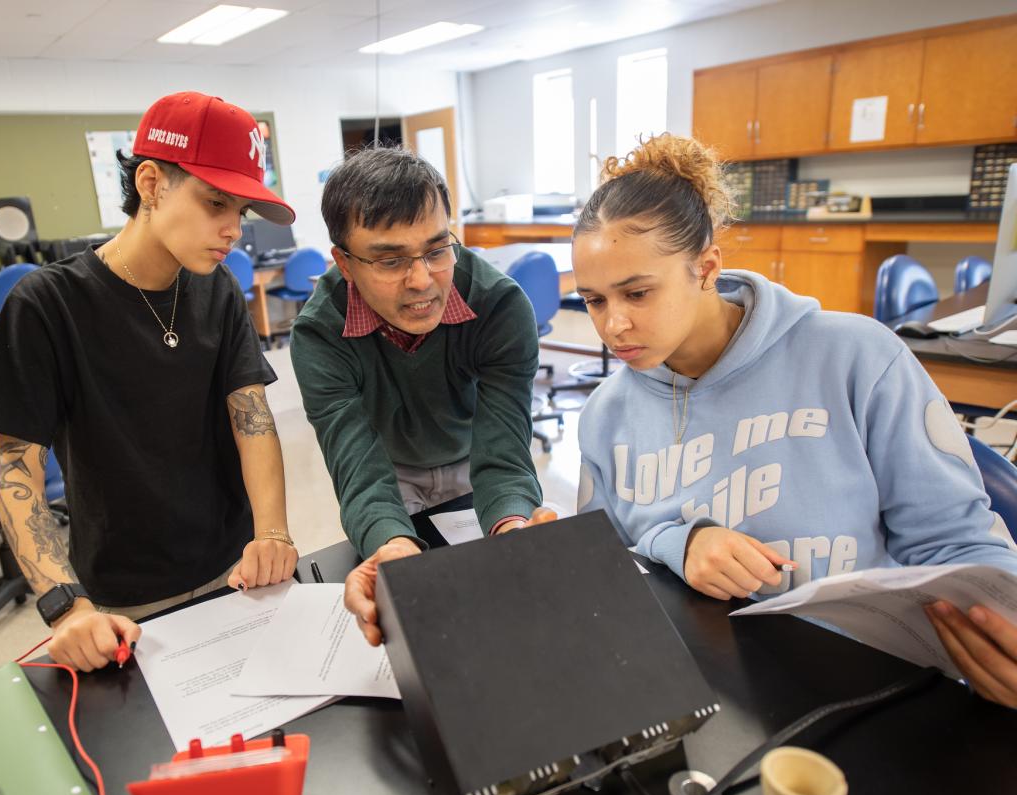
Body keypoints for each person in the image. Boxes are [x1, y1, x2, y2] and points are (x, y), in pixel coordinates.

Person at [572, 132, 1017, 708]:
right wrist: (675, 540)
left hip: (865, 683)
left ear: (705, 268)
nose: (614, 327)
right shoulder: (606, 415)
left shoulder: (855, 356)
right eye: (593, 300)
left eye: (636, 293)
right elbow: (606, 568)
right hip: (709, 689)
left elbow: (957, 544)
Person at [0, 92, 298, 671]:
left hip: (235, 569)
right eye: (215, 202)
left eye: (239, 212)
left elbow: (252, 418)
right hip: (119, 596)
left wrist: (273, 533)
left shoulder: (216, 289)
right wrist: (65, 605)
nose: (231, 230)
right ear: (151, 183)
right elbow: (17, 468)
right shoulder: (48, 305)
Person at [289, 147, 554, 645]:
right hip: (391, 469)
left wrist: (513, 525)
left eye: (436, 250)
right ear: (344, 263)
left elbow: (504, 453)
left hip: (471, 453)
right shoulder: (319, 334)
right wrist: (391, 544)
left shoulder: (499, 306)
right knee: (416, 607)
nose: (421, 280)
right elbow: (359, 470)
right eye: (389, 260)